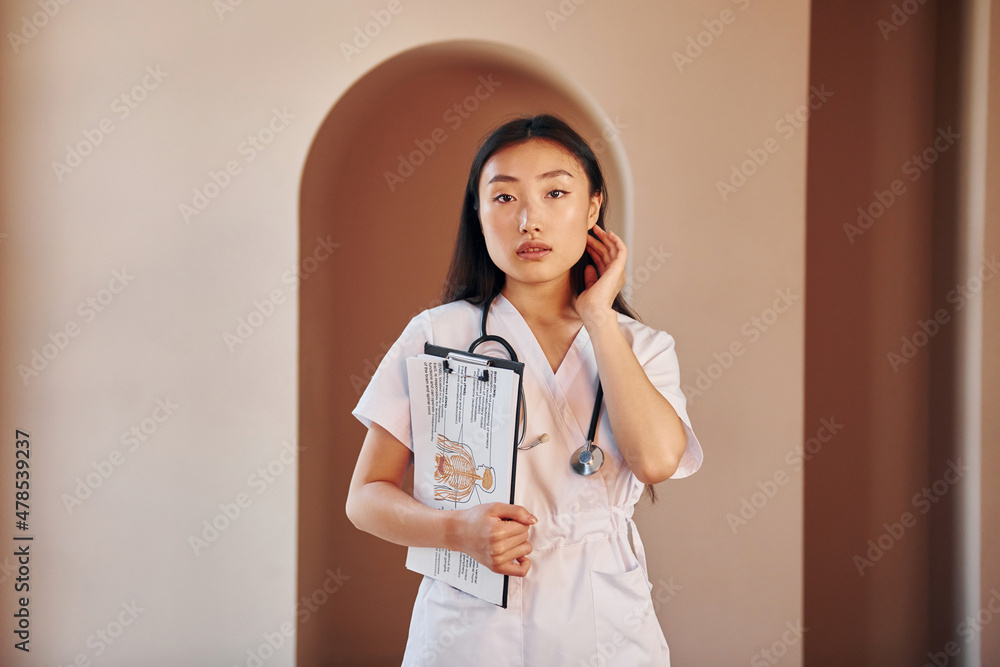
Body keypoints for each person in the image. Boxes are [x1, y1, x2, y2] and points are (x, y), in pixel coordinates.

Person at [346, 113, 703, 666]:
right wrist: (455, 529)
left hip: (603, 621)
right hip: (472, 628)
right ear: (480, 214)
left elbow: (656, 461)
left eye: (555, 192)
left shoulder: (642, 346)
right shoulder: (439, 334)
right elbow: (365, 497)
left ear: (592, 208)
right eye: (505, 198)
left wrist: (600, 320)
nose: (529, 220)